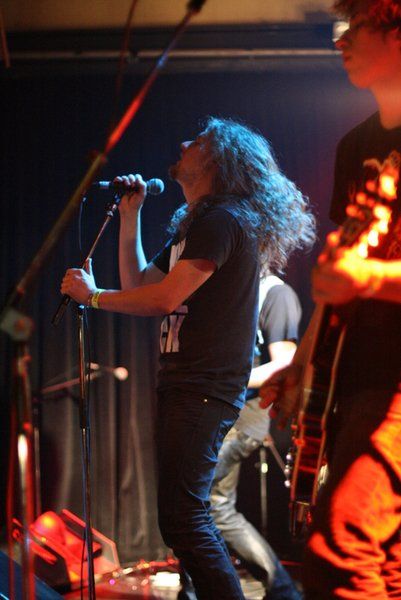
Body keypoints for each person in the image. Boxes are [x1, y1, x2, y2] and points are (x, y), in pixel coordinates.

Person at [61, 117, 315, 600]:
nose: (182, 143)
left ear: (218, 160)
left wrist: (92, 297)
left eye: (196, 141)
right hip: (186, 386)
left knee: (187, 518)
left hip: (203, 389)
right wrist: (131, 216)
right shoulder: (200, 224)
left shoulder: (224, 220)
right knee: (182, 518)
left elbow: (161, 299)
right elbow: (140, 284)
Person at [260, 1, 401, 598]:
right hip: (359, 378)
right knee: (386, 566)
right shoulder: (355, 146)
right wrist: (303, 365)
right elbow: (336, 283)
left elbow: (357, 276)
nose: (339, 40)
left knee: (341, 550)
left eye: (355, 26)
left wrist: (368, 279)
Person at [210, 276, 302, 600]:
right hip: (225, 412)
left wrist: (218, 380)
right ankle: (281, 590)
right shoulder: (238, 288)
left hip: (245, 416)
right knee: (209, 507)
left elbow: (284, 363)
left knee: (198, 505)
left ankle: (282, 589)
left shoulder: (276, 294)